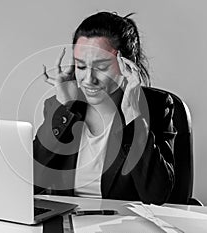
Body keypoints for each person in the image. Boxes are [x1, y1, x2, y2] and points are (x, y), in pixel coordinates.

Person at [33, 11, 176, 205]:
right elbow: (32, 182)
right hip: (69, 222)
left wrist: (133, 115)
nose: (89, 79)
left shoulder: (155, 107)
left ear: (128, 66)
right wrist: (64, 109)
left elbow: (156, 195)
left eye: (101, 67)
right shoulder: (61, 106)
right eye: (81, 67)